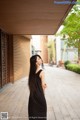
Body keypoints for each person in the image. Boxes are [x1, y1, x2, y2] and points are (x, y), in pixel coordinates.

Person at [28, 54, 47, 120]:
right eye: (38, 59)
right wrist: (43, 94)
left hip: (32, 97)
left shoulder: (31, 73)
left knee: (33, 115)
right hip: (40, 97)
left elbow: (33, 85)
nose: (41, 59)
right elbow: (43, 86)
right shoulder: (42, 72)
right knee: (41, 115)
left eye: (40, 58)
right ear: (36, 63)